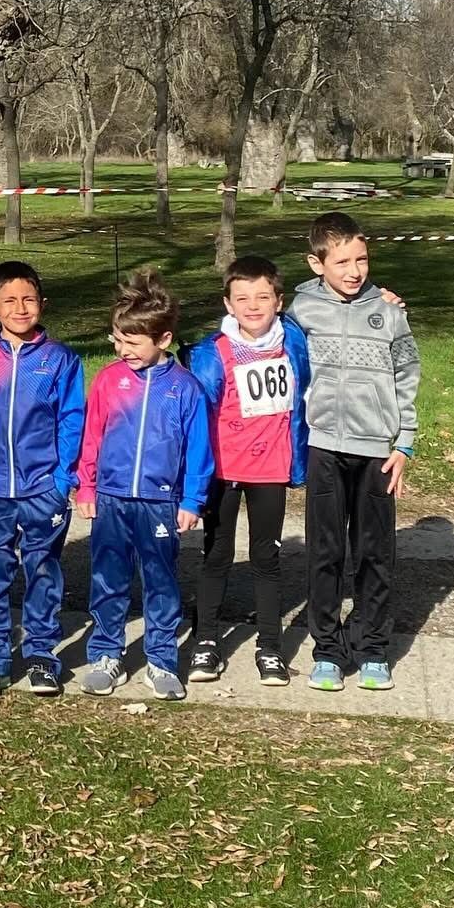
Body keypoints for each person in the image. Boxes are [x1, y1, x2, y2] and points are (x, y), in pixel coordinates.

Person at [290, 212, 420, 693]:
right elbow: (260, 335)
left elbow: (407, 376)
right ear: (316, 262)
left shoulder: (388, 310)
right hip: (323, 446)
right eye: (341, 261)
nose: (354, 270)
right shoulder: (301, 311)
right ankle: (326, 650)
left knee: (374, 554)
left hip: (377, 453)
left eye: (362, 259)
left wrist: (403, 442)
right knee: (324, 553)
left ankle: (372, 649)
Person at [75, 267, 213, 702]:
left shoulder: (186, 389)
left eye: (131, 343)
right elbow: (92, 435)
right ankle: (105, 654)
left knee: (160, 582)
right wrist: (87, 487)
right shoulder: (109, 381)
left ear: (164, 340)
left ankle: (161, 660)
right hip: (112, 500)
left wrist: (192, 500)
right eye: (117, 340)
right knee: (108, 579)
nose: (121, 350)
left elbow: (198, 451)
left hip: (160, 503)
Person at [0, 261, 84, 697]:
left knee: (42, 571)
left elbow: (71, 420)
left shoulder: (60, 359)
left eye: (28, 299)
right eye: (9, 300)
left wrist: (62, 480)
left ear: (42, 304)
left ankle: (42, 654)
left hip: (42, 489)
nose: (20, 307)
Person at [187, 256, 311, 687]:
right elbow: (197, 414)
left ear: (279, 301)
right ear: (228, 303)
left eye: (263, 297)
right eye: (242, 298)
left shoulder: (293, 341)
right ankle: (205, 641)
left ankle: (270, 648)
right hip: (222, 469)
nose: (253, 306)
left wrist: (389, 301)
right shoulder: (210, 353)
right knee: (216, 555)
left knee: (266, 557)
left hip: (271, 468)